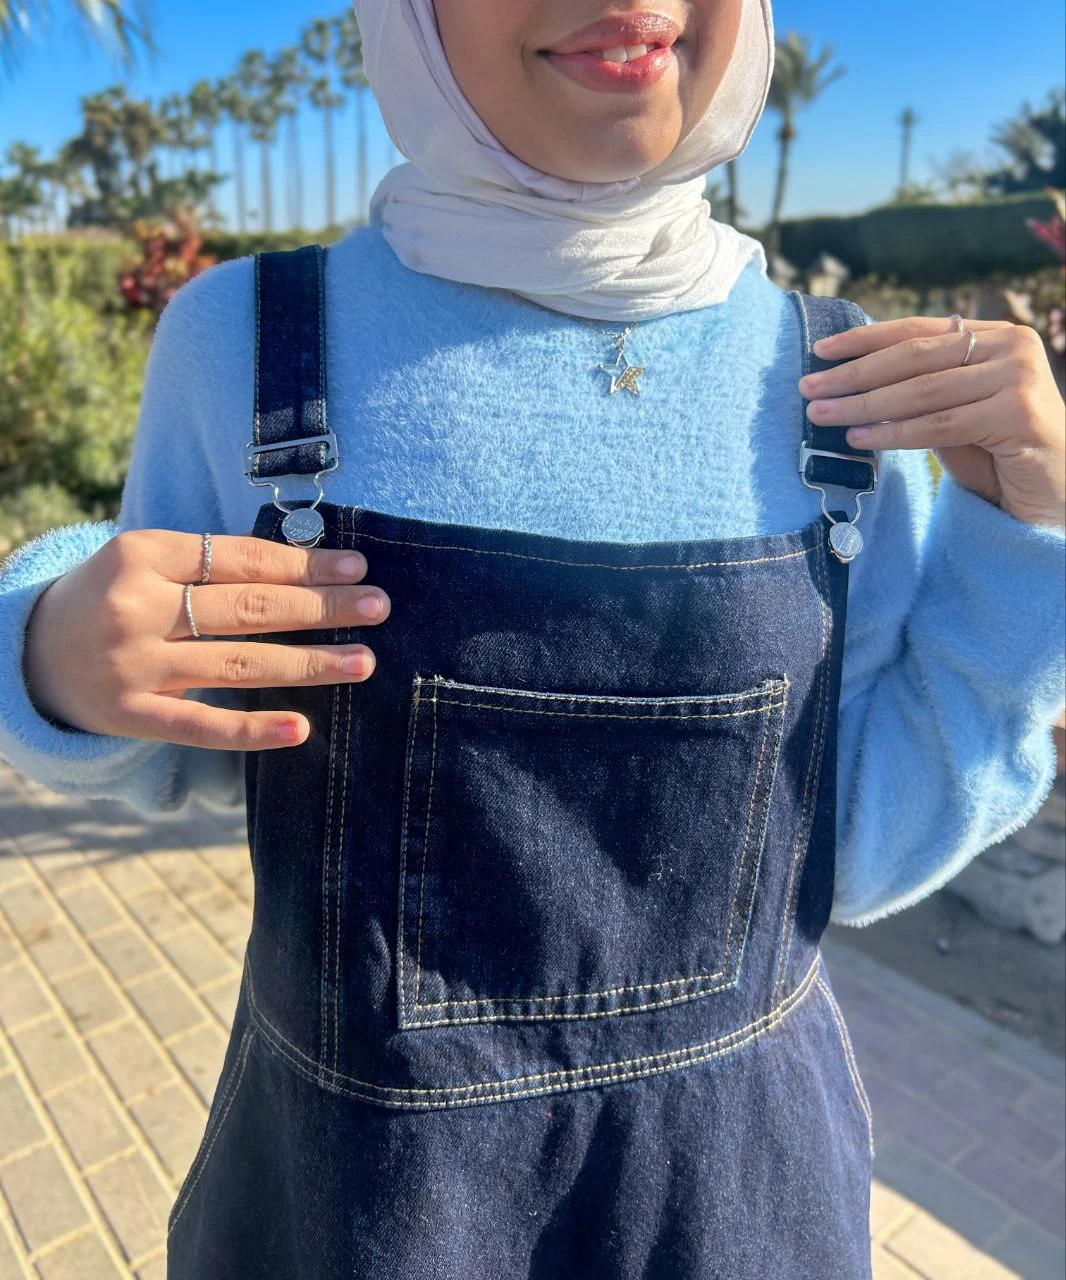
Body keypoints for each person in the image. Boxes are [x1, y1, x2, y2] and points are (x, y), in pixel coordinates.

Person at [1, 1, 1064, 1276]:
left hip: (736, 1204)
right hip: (365, 1211)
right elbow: (168, 722)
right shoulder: (246, 341)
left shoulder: (845, 383)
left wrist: (1028, 536)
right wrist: (50, 649)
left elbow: (853, 850)